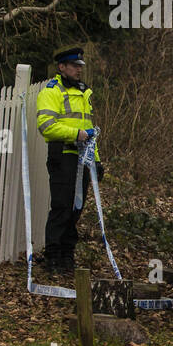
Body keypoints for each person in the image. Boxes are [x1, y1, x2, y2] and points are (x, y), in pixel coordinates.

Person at [35, 47, 104, 275]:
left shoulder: (84, 92)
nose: (78, 70)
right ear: (61, 67)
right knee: (62, 207)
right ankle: (53, 257)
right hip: (63, 155)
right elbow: (46, 126)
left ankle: (67, 255)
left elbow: (89, 131)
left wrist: (96, 161)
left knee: (76, 209)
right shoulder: (51, 91)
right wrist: (75, 135)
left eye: (80, 67)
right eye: (74, 66)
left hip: (82, 158)